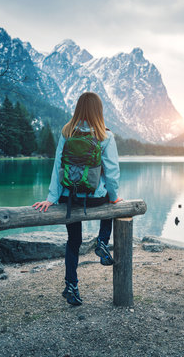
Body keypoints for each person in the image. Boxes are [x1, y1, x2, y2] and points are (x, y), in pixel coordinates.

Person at [32, 92, 122, 306]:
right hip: (94, 199)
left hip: (68, 197)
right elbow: (112, 171)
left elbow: (57, 167)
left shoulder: (67, 132)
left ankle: (71, 286)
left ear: (78, 109)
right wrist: (115, 197)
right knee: (110, 197)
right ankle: (102, 241)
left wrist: (51, 198)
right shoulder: (105, 136)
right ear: (98, 110)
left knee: (73, 242)